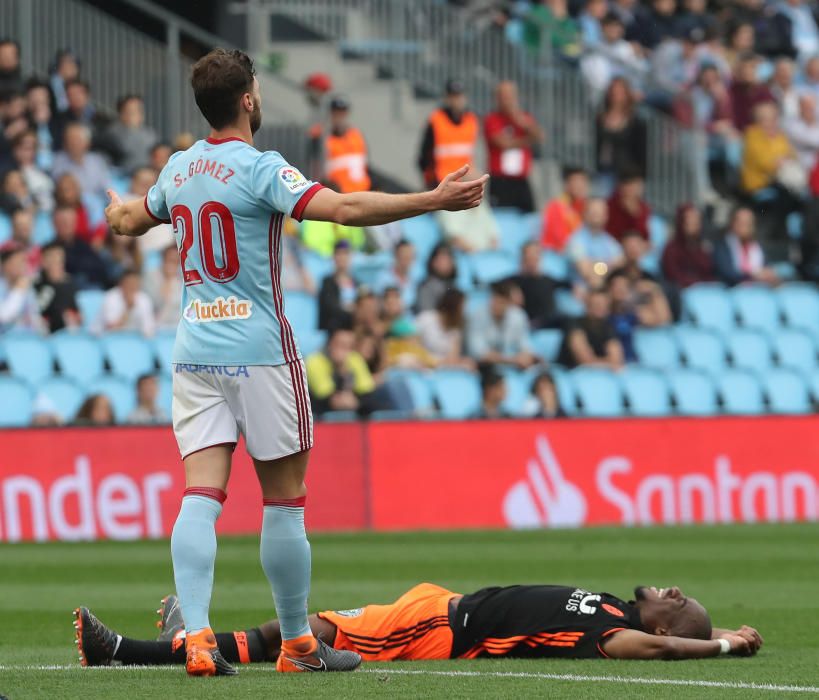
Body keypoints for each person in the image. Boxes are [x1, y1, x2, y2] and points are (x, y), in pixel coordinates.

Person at [103, 47, 488, 677]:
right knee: (283, 501)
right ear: (249, 99)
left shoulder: (178, 169)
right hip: (259, 351)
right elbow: (342, 210)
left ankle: (197, 639)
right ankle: (297, 644)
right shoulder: (261, 169)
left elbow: (127, 219)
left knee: (201, 495)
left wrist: (116, 209)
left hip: (194, 349)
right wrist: (433, 200)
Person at [74, 583, 763, 669]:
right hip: (437, 608)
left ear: (669, 619)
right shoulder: (613, 604)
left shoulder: (616, 632)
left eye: (679, 598)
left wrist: (720, 643)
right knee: (300, 631)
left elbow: (642, 649)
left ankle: (134, 654)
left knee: (304, 632)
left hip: (439, 631)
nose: (670, 589)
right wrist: (715, 630)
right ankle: (180, 639)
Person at [483, 81, 544, 212]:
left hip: (521, 179)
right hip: (501, 180)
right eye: (504, 97)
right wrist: (527, 140)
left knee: (529, 216)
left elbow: (540, 136)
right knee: (502, 216)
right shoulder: (492, 119)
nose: (507, 101)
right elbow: (503, 144)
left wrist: (521, 121)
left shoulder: (524, 118)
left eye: (510, 96)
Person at [418, 79, 479, 189]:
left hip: (464, 180)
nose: (457, 100)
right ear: (447, 98)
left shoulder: (471, 120)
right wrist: (430, 180)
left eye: (459, 96)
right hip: (440, 182)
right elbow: (424, 155)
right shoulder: (436, 119)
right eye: (453, 96)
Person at [306, 325, 382, 415]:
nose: (343, 351)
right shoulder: (314, 361)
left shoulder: (355, 359)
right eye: (340, 345)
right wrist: (340, 369)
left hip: (351, 413)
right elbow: (325, 397)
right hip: (319, 414)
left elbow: (367, 392)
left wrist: (356, 401)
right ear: (330, 344)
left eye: (349, 346)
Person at [467, 279, 536, 369]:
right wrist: (512, 360)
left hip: (510, 365)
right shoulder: (477, 316)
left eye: (501, 303)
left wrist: (526, 356)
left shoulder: (519, 316)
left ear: (509, 303)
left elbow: (525, 344)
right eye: (494, 300)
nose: (496, 306)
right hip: (483, 367)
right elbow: (478, 353)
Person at [595, 77, 647, 193]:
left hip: (626, 175)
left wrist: (639, 177)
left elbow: (641, 151)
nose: (615, 94)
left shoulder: (635, 121)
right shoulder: (599, 118)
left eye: (619, 91)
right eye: (613, 90)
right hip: (602, 170)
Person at [557, 288, 624, 369]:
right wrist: (609, 363)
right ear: (587, 305)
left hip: (599, 375)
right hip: (571, 373)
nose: (601, 308)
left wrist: (604, 363)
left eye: (604, 305)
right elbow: (585, 361)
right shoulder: (573, 324)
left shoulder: (608, 327)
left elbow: (617, 359)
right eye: (597, 304)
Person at [713, 207, 780, 286]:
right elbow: (728, 274)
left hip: (759, 291)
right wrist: (754, 276)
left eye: (749, 223)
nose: (746, 227)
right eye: (742, 223)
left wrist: (769, 274)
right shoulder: (723, 247)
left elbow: (767, 267)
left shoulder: (757, 247)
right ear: (733, 224)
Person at [566, 198, 624, 288]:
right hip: (582, 293)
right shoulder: (576, 239)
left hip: (606, 290)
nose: (597, 216)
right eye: (593, 212)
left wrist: (595, 265)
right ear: (584, 214)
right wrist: (607, 266)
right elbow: (586, 272)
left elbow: (620, 264)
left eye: (600, 213)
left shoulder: (610, 240)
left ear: (606, 216)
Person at [53, 204, 110, 289]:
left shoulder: (85, 246)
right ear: (55, 223)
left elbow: (100, 270)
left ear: (75, 222)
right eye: (63, 221)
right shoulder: (50, 249)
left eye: (69, 221)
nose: (66, 224)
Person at [52, 122, 112, 202]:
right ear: (65, 143)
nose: (74, 143)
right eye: (70, 140)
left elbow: (107, 188)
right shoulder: (58, 161)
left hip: (96, 207)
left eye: (78, 140)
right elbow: (61, 193)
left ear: (87, 143)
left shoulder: (97, 161)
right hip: (72, 206)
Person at [323, 96, 371, 193]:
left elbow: (364, 164)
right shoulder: (323, 139)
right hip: (339, 197)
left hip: (362, 193)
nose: (340, 117)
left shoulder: (356, 135)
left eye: (342, 113)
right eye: (336, 113)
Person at [416, 288, 473, 368]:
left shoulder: (455, 331)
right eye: (461, 307)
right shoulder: (425, 319)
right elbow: (414, 348)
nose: (463, 312)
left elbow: (453, 359)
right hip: (421, 368)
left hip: (443, 371)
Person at [661, 204, 715, 288]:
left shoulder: (704, 249)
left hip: (705, 291)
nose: (694, 225)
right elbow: (673, 275)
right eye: (689, 222)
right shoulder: (671, 249)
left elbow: (709, 273)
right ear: (681, 223)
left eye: (696, 222)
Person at [101, 94, 157, 174]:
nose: (136, 113)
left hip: (147, 177)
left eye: (139, 109)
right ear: (121, 113)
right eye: (131, 110)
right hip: (122, 178)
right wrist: (132, 128)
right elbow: (126, 150)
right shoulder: (112, 132)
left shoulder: (149, 133)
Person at [507, 242, 558, 329]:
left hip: (547, 321)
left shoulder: (548, 279)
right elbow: (497, 286)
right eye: (529, 256)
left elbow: (568, 285)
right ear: (523, 259)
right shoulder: (514, 280)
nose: (533, 259)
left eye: (536, 255)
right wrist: (511, 290)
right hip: (526, 321)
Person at [34, 242, 80, 333]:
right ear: (43, 262)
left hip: (67, 332)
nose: (58, 263)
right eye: (53, 259)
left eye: (60, 259)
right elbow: (38, 310)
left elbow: (77, 313)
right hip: (43, 332)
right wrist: (53, 286)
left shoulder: (69, 284)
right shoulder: (36, 284)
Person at [96, 269, 156, 336]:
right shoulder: (111, 298)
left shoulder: (144, 299)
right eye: (129, 283)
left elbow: (149, 329)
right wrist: (128, 309)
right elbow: (111, 328)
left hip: (133, 340)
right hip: (107, 340)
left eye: (135, 284)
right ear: (121, 283)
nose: (132, 287)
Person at [541, 166, 588, 252]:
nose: (580, 186)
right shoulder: (556, 207)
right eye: (576, 182)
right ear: (566, 185)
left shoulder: (585, 207)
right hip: (556, 254)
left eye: (583, 181)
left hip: (578, 253)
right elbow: (560, 239)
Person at [318, 240, 358, 331]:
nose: (342, 257)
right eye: (338, 254)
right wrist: (353, 310)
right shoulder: (327, 283)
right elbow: (332, 308)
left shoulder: (357, 283)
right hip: (334, 330)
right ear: (333, 257)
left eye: (345, 254)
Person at [0, 245, 41, 333]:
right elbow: (3, 317)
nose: (23, 266)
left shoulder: (28, 289)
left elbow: (34, 318)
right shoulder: (20, 288)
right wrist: (18, 290)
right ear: (5, 265)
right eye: (18, 262)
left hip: (28, 340)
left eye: (24, 262)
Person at [11, 129, 54, 211]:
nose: (30, 152)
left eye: (33, 147)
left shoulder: (45, 170)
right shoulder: (12, 175)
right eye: (25, 148)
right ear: (16, 150)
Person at [729, 54, 774, 132]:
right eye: (743, 68)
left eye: (751, 67)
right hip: (735, 134)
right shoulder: (731, 90)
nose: (746, 71)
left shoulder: (765, 93)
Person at [143, 244, 182, 329]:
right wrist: (167, 282)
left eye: (176, 261)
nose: (172, 265)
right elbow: (151, 305)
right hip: (155, 325)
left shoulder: (183, 278)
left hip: (176, 326)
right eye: (170, 260)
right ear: (163, 259)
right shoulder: (151, 276)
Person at [606, 173, 651, 243]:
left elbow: (645, 235)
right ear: (623, 187)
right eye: (634, 186)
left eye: (639, 186)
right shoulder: (609, 206)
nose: (638, 190)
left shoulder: (643, 208)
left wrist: (635, 215)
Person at [415, 242, 458, 313]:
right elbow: (426, 316)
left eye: (449, 259)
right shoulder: (426, 287)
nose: (446, 263)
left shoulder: (453, 286)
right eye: (442, 259)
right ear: (433, 262)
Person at [375, 239, 417, 309]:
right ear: (396, 256)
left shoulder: (414, 279)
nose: (407, 260)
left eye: (410, 256)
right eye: (404, 256)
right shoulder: (383, 279)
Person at [783, 93, 819, 171]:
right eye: (805, 106)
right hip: (802, 166)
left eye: (811, 107)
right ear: (800, 107)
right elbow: (812, 141)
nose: (809, 109)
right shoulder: (792, 124)